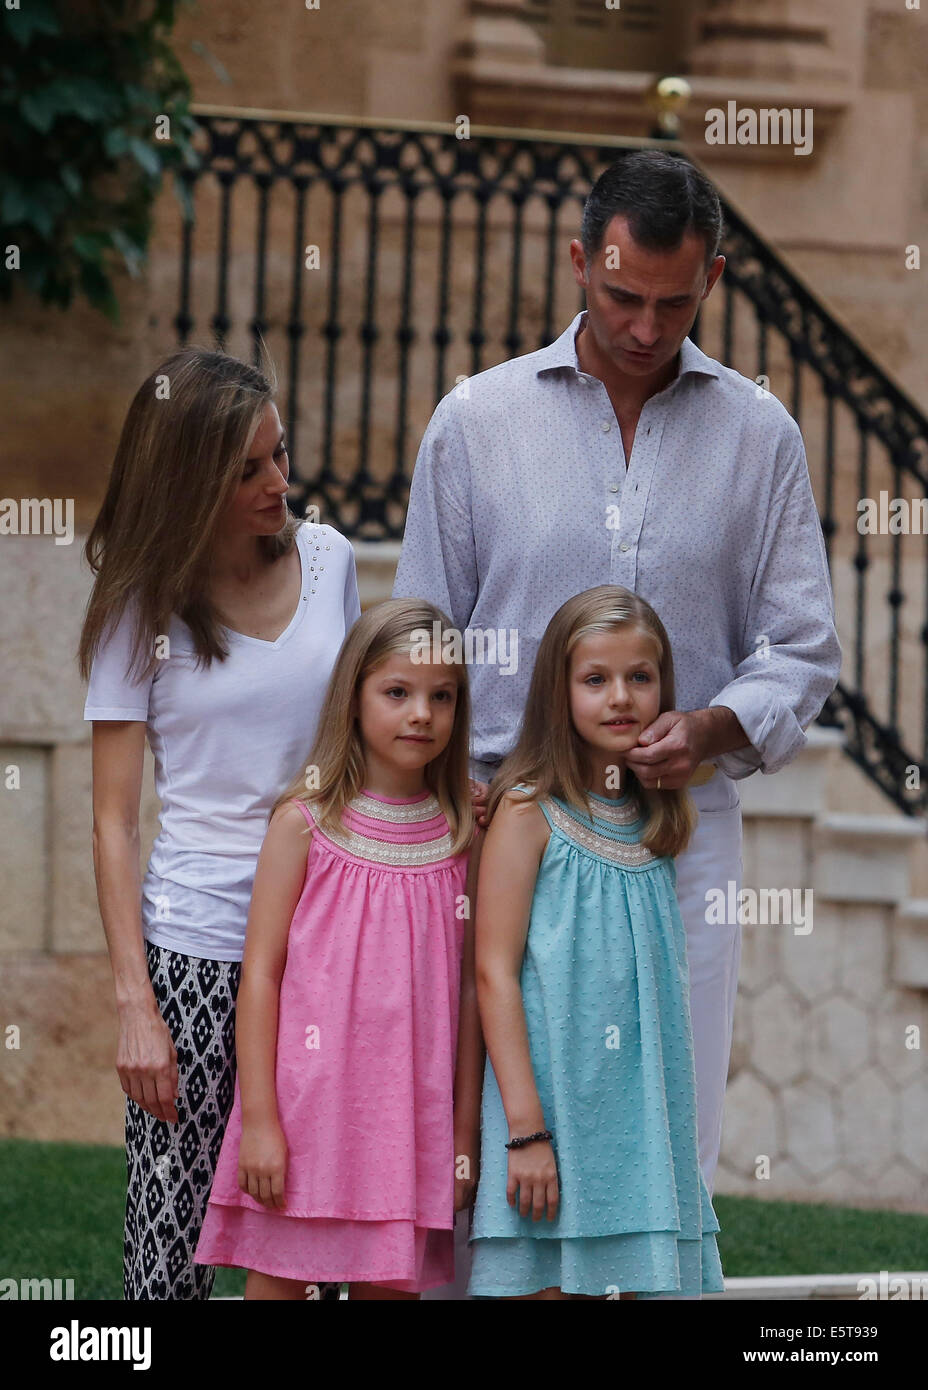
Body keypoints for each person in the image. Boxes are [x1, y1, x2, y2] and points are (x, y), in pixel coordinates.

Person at [393, 152, 842, 1256]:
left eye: (673, 302)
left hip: (679, 832)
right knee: (488, 1129)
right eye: (620, 296)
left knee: (666, 1122)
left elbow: (801, 648)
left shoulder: (759, 435)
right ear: (578, 261)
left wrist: (712, 726)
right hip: (505, 828)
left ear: (716, 279)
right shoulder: (475, 419)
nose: (645, 326)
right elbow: (421, 636)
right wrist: (452, 801)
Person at [79, 346, 362, 1299]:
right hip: (197, 949)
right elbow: (114, 823)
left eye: (280, 454)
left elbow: (359, 744)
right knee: (169, 1247)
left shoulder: (330, 562)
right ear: (190, 479)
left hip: (322, 941)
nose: (279, 482)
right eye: (247, 469)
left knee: (312, 1238)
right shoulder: (139, 603)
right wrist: (135, 1007)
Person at [194, 599, 485, 1299]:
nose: (421, 714)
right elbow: (259, 976)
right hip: (303, 1118)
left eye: (441, 697)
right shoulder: (304, 824)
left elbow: (473, 989)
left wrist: (465, 1134)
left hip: (407, 1131)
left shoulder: (463, 836)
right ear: (352, 698)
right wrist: (260, 1120)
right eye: (397, 692)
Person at [469, 586, 724, 1300]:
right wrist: (526, 1133)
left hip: (639, 1128)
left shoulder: (656, 820)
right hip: (550, 1118)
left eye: (640, 677)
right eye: (595, 679)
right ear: (560, 690)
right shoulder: (527, 810)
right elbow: (493, 972)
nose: (621, 697)